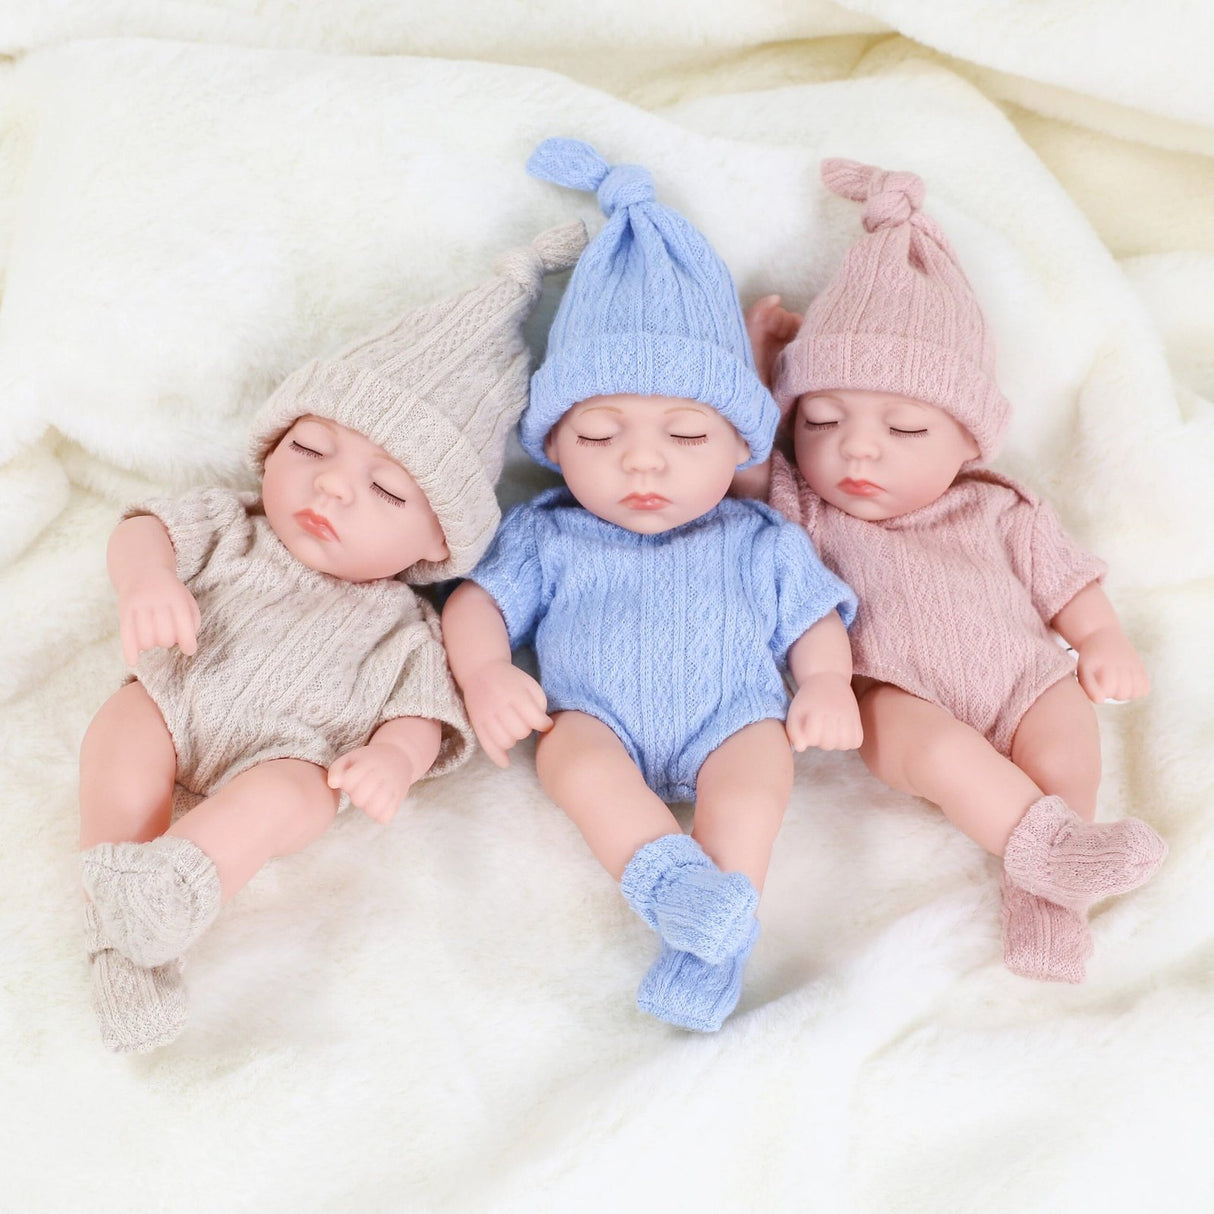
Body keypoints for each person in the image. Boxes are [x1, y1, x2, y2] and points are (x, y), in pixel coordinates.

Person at [78, 222, 586, 1050]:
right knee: (125, 730)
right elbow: (145, 527)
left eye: (387, 492)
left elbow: (424, 715)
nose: (332, 488)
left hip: (290, 750)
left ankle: (179, 884)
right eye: (312, 447)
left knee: (288, 800)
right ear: (273, 445)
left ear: (436, 545)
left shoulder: (411, 627)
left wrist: (393, 759)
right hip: (179, 696)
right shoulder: (233, 526)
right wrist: (149, 581)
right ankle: (117, 925)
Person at [443, 139, 859, 1031]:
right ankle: (672, 887)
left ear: (742, 448)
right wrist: (484, 671)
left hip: (732, 717)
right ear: (551, 447)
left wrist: (825, 681)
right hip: (597, 712)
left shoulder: (757, 534)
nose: (643, 462)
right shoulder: (547, 532)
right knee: (573, 762)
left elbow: (813, 616)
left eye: (685, 436)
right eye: (598, 438)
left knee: (752, 789)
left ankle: (711, 945)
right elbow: (477, 602)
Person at [740, 158, 1166, 982]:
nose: (858, 448)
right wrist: (761, 374)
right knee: (936, 754)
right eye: (823, 418)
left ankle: (1047, 893)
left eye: (904, 429)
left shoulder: (1000, 504)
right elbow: (745, 467)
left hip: (1024, 677)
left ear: (970, 442)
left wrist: (1102, 638)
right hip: (895, 695)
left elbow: (1067, 581)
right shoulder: (806, 504)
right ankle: (1051, 858)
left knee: (1066, 740)